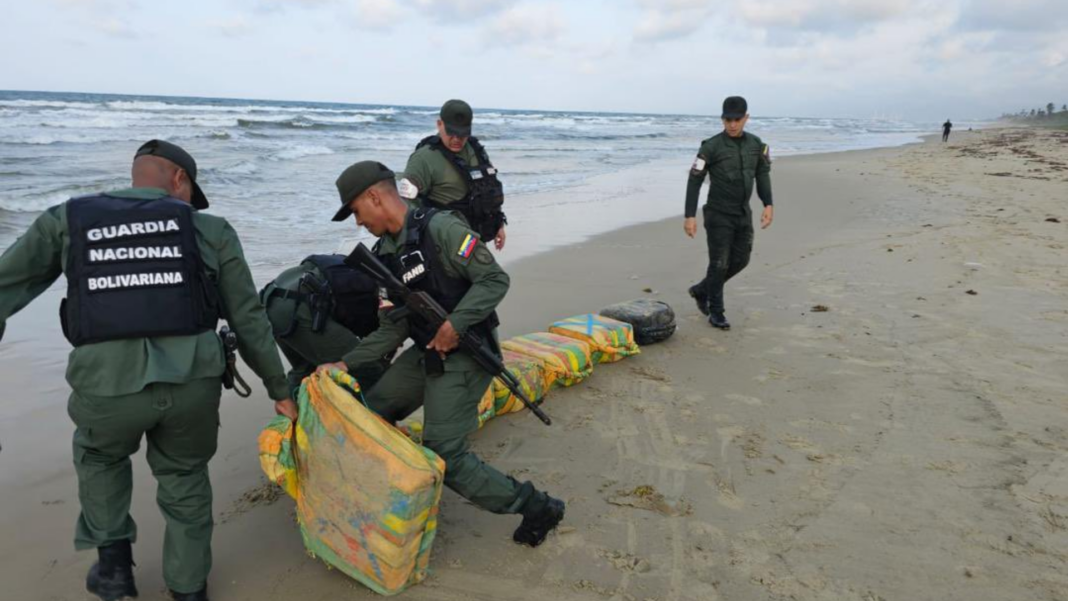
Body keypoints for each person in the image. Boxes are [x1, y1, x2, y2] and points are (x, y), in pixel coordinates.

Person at [0, 140, 297, 601]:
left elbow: (6, 285)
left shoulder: (68, 220)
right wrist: (279, 388)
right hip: (192, 386)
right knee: (185, 477)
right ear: (179, 179)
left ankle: (115, 570)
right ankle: (189, 589)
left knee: (100, 458)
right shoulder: (211, 229)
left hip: (106, 387)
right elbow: (248, 318)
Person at [319, 161, 564, 547]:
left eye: (355, 211)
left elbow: (494, 280)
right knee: (370, 410)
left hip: (468, 351)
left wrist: (455, 325)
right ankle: (393, 491)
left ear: (373, 196)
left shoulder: (442, 229)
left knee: (445, 453)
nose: (357, 222)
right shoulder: (384, 253)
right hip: (428, 349)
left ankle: (536, 505)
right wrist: (346, 363)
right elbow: (392, 328)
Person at [684, 96, 774, 330]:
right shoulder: (710, 147)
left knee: (741, 260)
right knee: (719, 263)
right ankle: (716, 311)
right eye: (727, 120)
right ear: (722, 119)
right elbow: (694, 180)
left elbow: (762, 174)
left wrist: (768, 204)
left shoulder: (757, 145)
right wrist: (690, 215)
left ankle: (701, 290)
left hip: (743, 213)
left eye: (737, 119)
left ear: (746, 118)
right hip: (718, 214)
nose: (732, 124)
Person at [260, 254, 391, 396]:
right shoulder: (389, 293)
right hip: (300, 307)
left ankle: (292, 413)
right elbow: (381, 338)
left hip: (272, 298)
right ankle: (367, 416)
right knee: (369, 370)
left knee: (305, 369)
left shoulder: (365, 265)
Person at [400, 99, 508, 250]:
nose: (456, 139)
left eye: (462, 134)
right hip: (445, 247)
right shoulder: (423, 159)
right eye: (451, 132)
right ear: (440, 124)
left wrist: (498, 225)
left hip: (474, 244)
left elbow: (488, 189)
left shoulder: (476, 150)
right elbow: (405, 208)